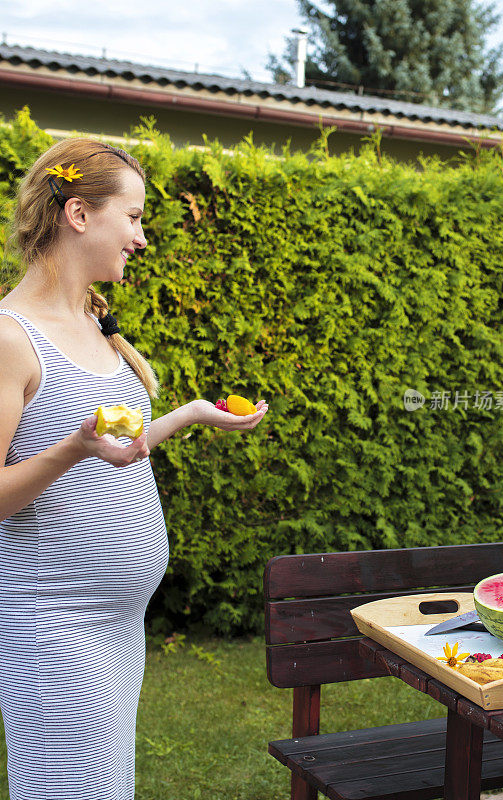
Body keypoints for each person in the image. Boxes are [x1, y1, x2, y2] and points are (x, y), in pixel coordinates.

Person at [0, 137, 269, 800]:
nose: (142, 238)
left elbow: (107, 451)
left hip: (118, 625)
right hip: (54, 626)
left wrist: (189, 415)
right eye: (136, 216)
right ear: (79, 214)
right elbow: (63, 455)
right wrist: (72, 448)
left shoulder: (93, 327)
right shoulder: (10, 336)